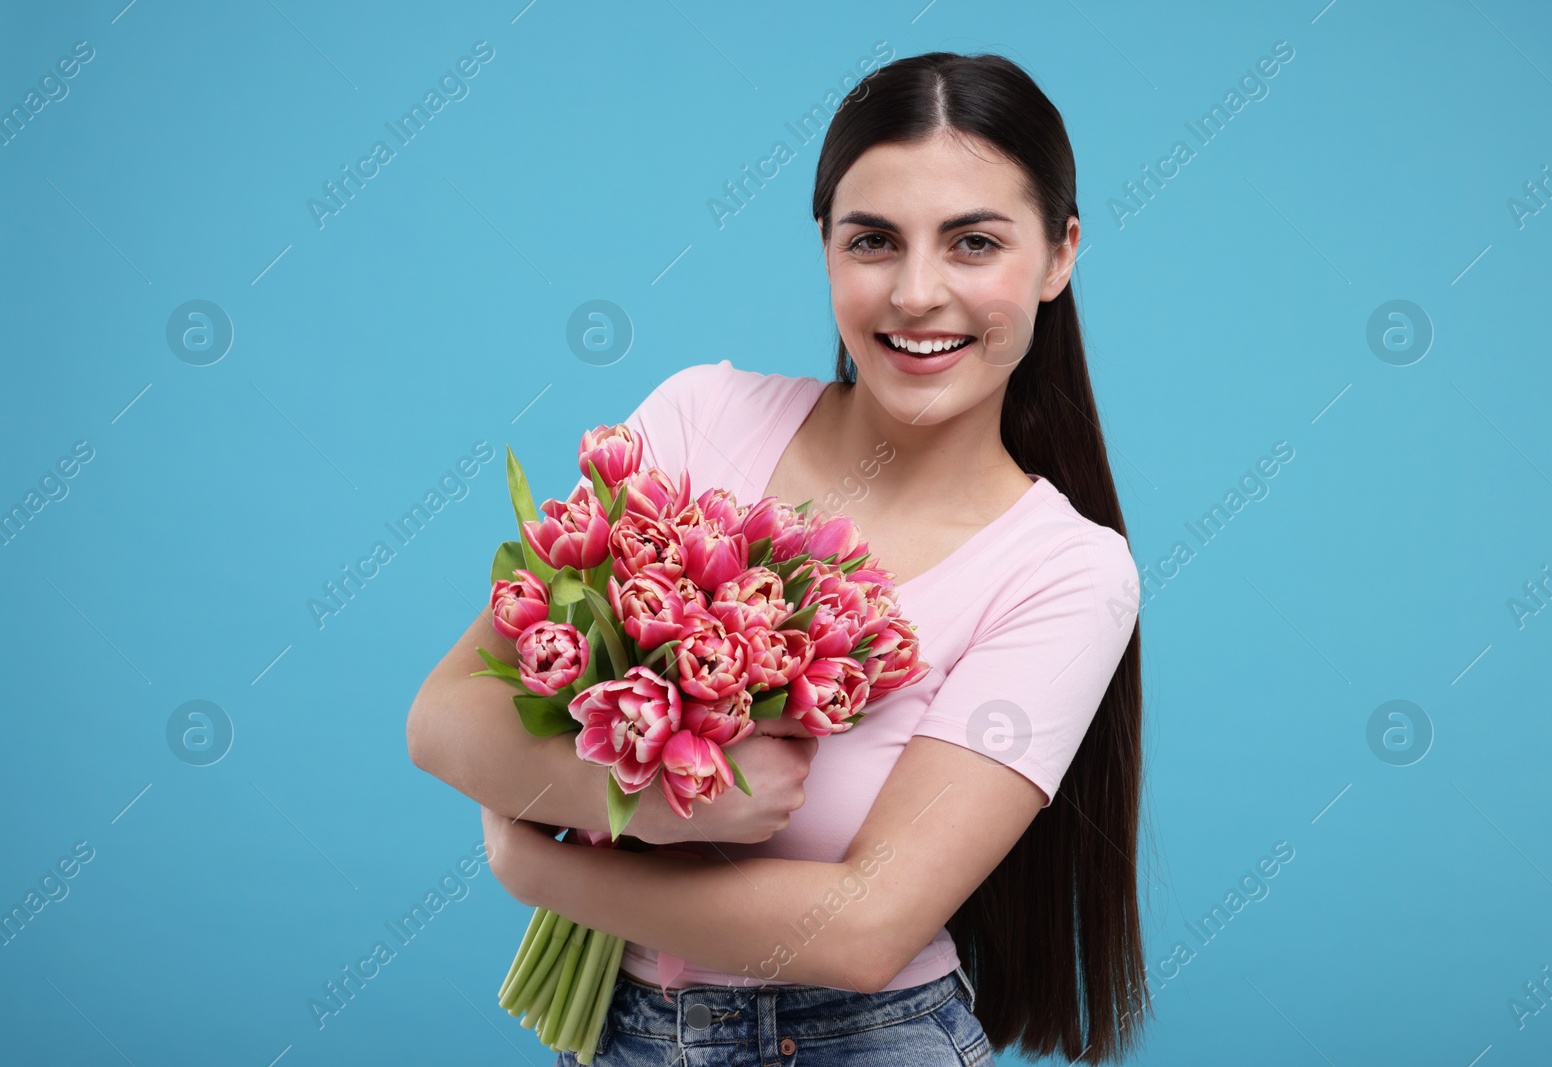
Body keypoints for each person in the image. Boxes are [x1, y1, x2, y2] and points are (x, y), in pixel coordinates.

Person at [408, 50, 1148, 1065]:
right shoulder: (697, 419)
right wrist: (674, 802)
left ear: (1061, 254)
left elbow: (862, 927)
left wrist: (538, 866)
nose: (917, 291)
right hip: (626, 1035)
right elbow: (446, 718)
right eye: (873, 241)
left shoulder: (1066, 570)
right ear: (825, 247)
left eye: (974, 242)